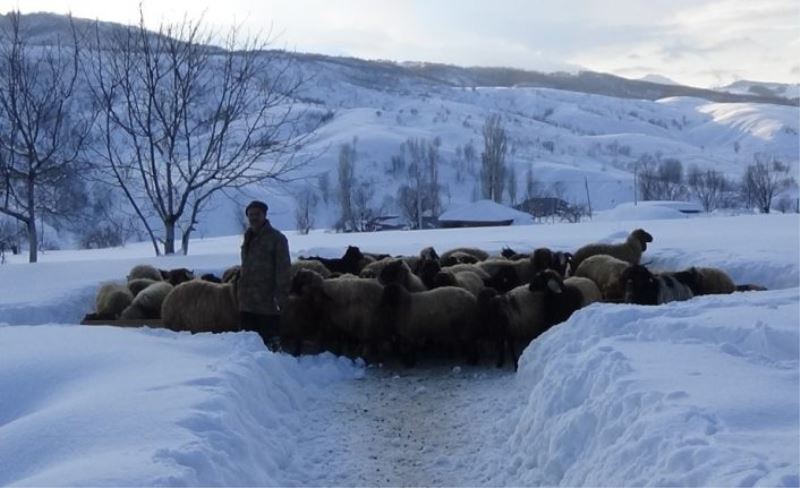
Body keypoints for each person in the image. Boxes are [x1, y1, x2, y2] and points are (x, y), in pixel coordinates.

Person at [238, 200, 291, 349]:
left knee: (270, 345)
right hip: (247, 303)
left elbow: (284, 269)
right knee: (248, 346)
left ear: (265, 215)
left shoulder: (277, 239)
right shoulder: (248, 237)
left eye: (257, 214)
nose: (253, 218)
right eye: (250, 215)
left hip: (267, 303)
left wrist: (280, 296)